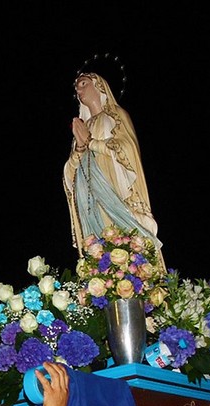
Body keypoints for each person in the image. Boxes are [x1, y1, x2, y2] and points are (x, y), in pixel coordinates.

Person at [63, 71, 163, 267]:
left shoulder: (115, 116)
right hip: (90, 199)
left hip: (115, 189)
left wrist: (91, 142)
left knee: (126, 241)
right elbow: (69, 173)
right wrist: (79, 149)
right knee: (101, 249)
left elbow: (127, 150)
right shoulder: (83, 126)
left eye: (83, 83)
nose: (78, 89)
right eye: (76, 86)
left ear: (99, 86)